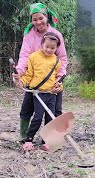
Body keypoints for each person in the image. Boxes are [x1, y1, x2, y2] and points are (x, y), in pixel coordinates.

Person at [14, 2, 68, 140]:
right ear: (31, 20)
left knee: (54, 112)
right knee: (27, 110)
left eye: (40, 18)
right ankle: (24, 137)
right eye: (34, 19)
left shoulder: (56, 35)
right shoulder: (29, 36)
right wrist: (19, 72)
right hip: (34, 82)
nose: (38, 22)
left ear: (46, 17)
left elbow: (62, 58)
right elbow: (24, 55)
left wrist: (59, 80)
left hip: (52, 83)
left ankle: (50, 140)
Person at [14, 32, 62, 151]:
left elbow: (56, 78)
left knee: (50, 118)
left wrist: (59, 86)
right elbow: (29, 75)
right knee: (38, 117)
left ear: (56, 48)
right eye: (47, 46)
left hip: (51, 94)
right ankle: (29, 139)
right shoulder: (34, 57)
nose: (49, 50)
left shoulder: (57, 61)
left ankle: (46, 141)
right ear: (42, 44)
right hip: (38, 93)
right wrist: (21, 81)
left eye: (52, 48)